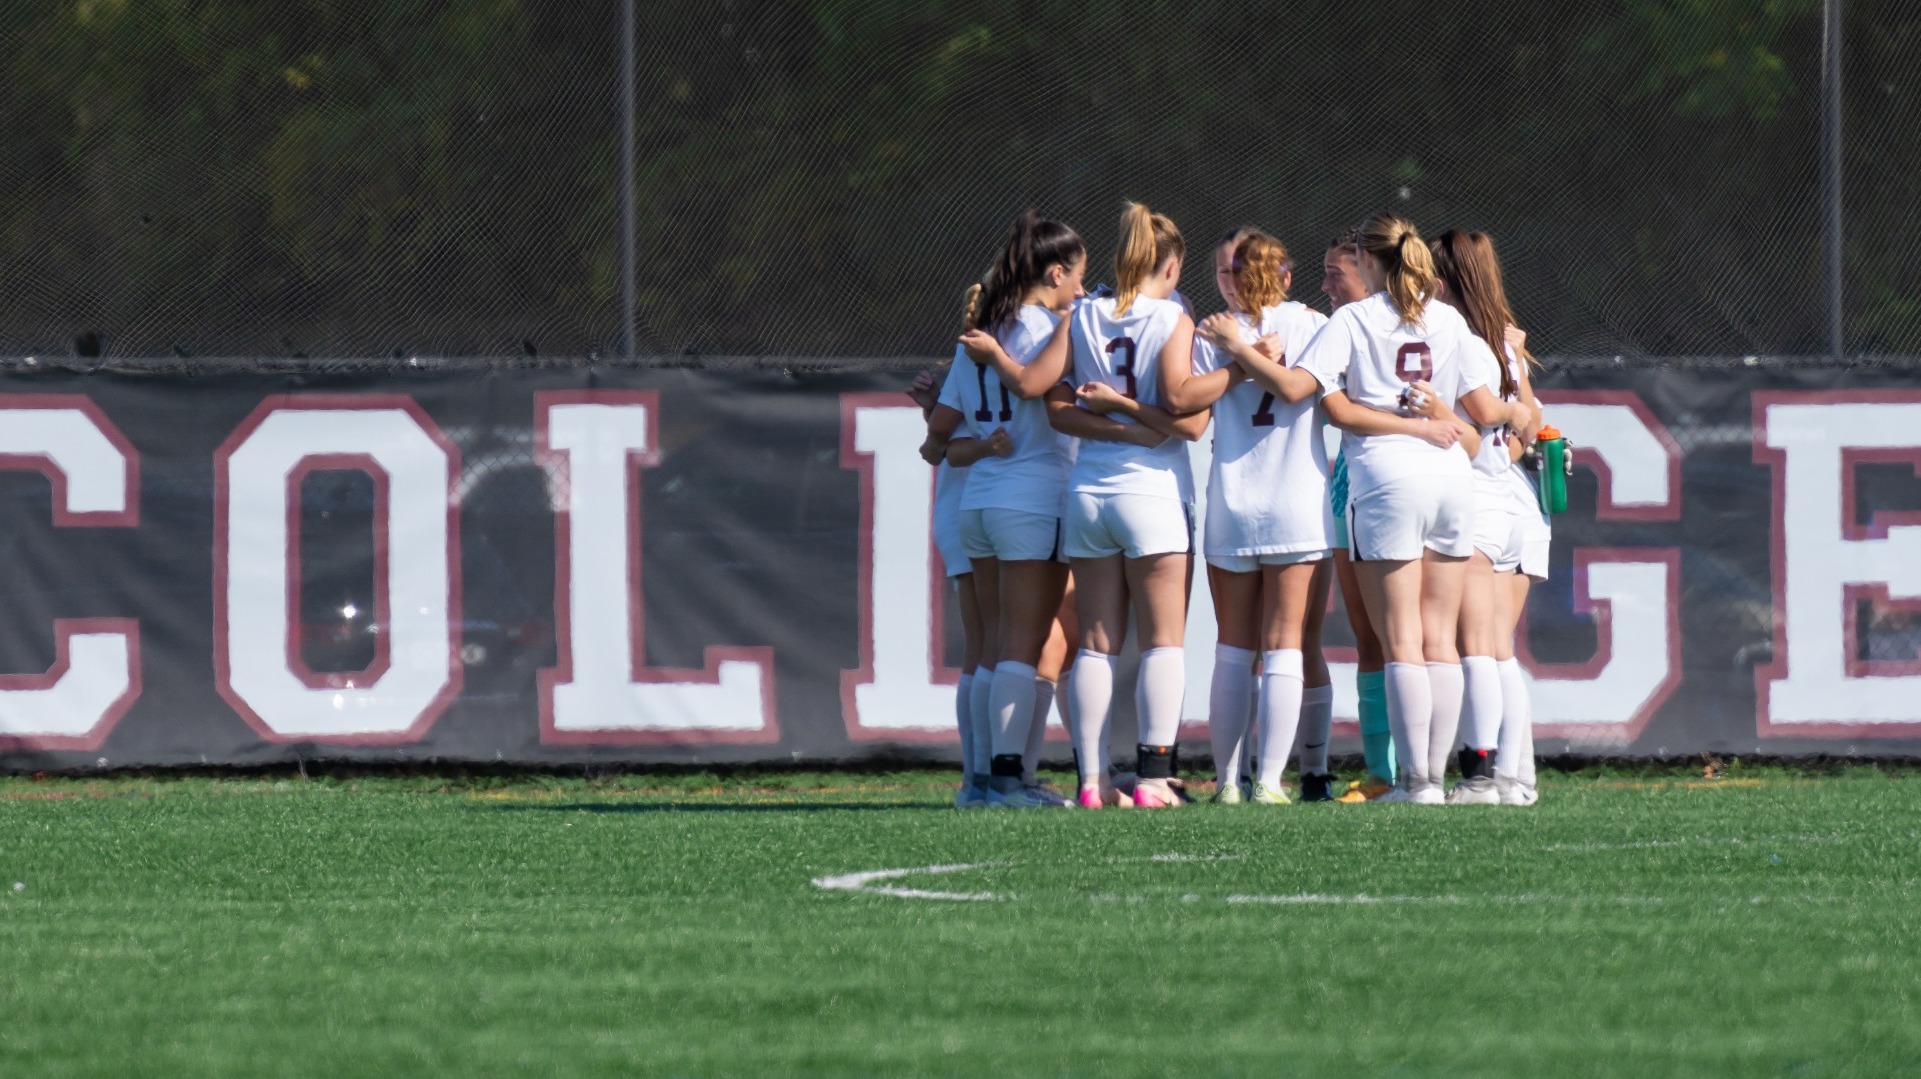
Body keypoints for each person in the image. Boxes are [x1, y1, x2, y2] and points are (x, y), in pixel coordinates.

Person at [965, 202, 1208, 808]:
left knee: (1095, 644)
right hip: (1151, 493)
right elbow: (1184, 408)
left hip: (1089, 494)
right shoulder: (1174, 316)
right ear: (1172, 266)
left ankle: (1092, 782)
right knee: (1162, 643)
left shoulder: (1085, 313)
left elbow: (1047, 398)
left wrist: (1112, 417)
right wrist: (1153, 414)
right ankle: (1154, 777)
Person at [1294, 212, 1528, 804]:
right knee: (1439, 642)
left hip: (1386, 478)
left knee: (1400, 639)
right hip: (1452, 480)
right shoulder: (1448, 320)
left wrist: (1415, 429)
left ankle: (1416, 783)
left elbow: (1336, 409)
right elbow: (1484, 405)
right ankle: (1438, 778)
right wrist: (1512, 411)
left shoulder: (1352, 318)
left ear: (1368, 261)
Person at [1164, 229, 1334, 805]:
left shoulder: (1212, 330)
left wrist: (1235, 348)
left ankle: (1230, 783)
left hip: (1233, 500)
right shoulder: (1313, 324)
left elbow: (1186, 400)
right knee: (1284, 643)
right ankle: (1268, 783)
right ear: (1285, 274)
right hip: (1295, 502)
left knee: (1233, 644)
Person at [942, 211, 1087, 808]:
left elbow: (941, 431)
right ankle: (1006, 781)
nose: (1082, 288)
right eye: (1078, 276)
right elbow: (1041, 389)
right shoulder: (1042, 331)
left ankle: (979, 782)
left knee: (995, 644)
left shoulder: (985, 327)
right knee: (1021, 647)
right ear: (1055, 273)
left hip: (979, 498)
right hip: (1030, 498)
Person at [1427, 229, 1548, 806]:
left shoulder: (1463, 337)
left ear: (1444, 277)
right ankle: (1516, 778)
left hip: (1481, 501)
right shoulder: (1502, 338)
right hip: (1512, 499)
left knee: (1477, 645)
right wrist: (1516, 410)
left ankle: (1484, 777)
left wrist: (1440, 415)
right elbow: (1529, 429)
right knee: (1496, 647)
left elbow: (1492, 426)